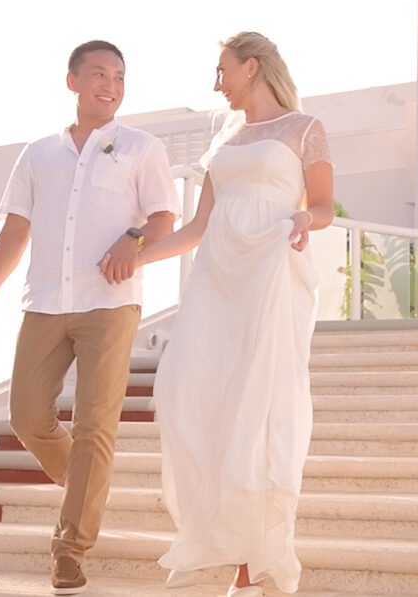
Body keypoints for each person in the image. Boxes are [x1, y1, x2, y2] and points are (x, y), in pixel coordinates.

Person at [0, 40, 181, 596]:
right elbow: (17, 228)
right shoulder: (38, 154)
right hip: (44, 301)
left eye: (119, 77)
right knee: (27, 416)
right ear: (72, 82)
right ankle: (87, 489)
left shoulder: (141, 148)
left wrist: (130, 239)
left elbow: (163, 217)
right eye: (99, 75)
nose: (110, 85)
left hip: (110, 303)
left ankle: (70, 547)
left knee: (95, 426)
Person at [134, 32, 334, 597]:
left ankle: (252, 563)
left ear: (251, 68)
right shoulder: (226, 137)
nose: (215, 81)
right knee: (182, 391)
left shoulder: (305, 130)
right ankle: (218, 534)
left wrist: (303, 222)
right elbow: (197, 228)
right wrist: (137, 258)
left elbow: (321, 205)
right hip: (216, 277)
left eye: (221, 70)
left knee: (257, 407)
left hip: (270, 268)